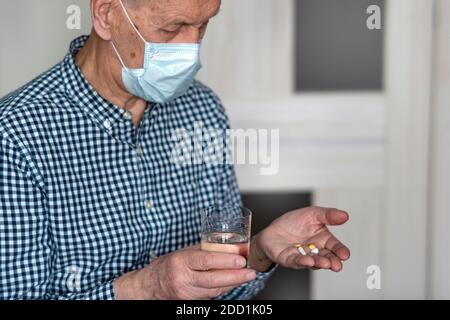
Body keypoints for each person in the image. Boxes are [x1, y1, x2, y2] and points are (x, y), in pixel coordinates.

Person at [0, 0, 350, 300]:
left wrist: (258, 252)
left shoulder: (202, 108)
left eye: (203, 24)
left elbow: (217, 285)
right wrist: (152, 286)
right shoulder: (16, 135)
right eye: (172, 28)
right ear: (106, 14)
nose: (191, 46)